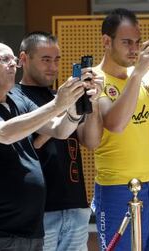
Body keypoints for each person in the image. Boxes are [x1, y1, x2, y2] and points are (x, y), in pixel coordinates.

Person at [0, 42, 87, 251]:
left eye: (13, 60)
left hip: (31, 231)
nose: (13, 65)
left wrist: (76, 107)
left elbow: (60, 130)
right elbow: (6, 133)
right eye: (3, 59)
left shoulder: (18, 101)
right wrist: (57, 104)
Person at [92, 8, 149, 250]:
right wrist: (136, 76)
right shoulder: (94, 79)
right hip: (117, 189)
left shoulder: (147, 77)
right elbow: (115, 123)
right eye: (126, 42)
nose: (134, 49)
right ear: (106, 41)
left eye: (137, 42)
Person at [16, 31, 103, 251]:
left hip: (76, 204)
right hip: (39, 209)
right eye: (45, 59)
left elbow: (91, 142)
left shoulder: (61, 96)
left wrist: (94, 102)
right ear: (24, 59)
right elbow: (30, 145)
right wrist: (61, 108)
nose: (53, 67)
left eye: (57, 60)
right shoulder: (14, 97)